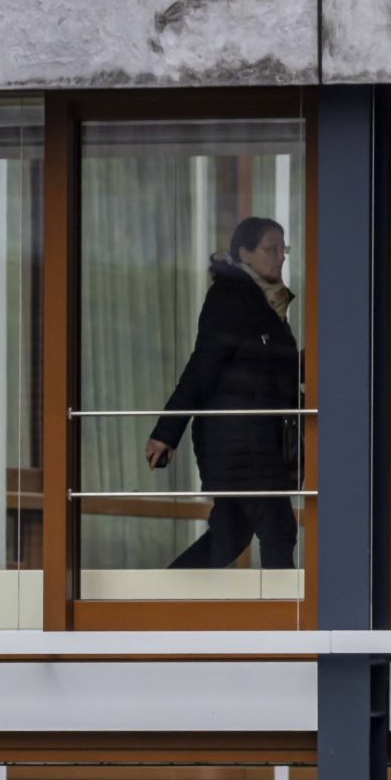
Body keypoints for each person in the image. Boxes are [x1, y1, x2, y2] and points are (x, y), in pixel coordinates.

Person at [145, 216, 299, 571]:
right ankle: (284, 610)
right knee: (278, 531)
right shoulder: (231, 298)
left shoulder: (263, 300)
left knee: (230, 535)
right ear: (245, 254)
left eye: (283, 248)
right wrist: (166, 431)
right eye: (271, 249)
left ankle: (164, 593)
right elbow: (202, 367)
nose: (280, 257)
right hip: (241, 443)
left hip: (250, 442)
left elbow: (264, 367)